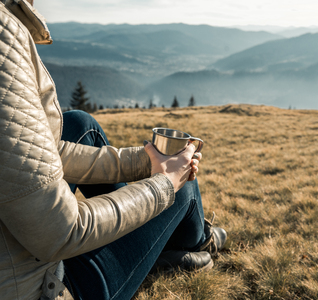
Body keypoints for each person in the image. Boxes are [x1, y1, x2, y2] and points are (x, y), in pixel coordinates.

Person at [0, 1, 226, 299]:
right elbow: (60, 233)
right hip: (43, 289)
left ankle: (153, 243)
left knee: (81, 125)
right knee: (181, 191)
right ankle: (195, 242)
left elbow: (39, 154)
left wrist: (144, 163)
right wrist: (163, 185)